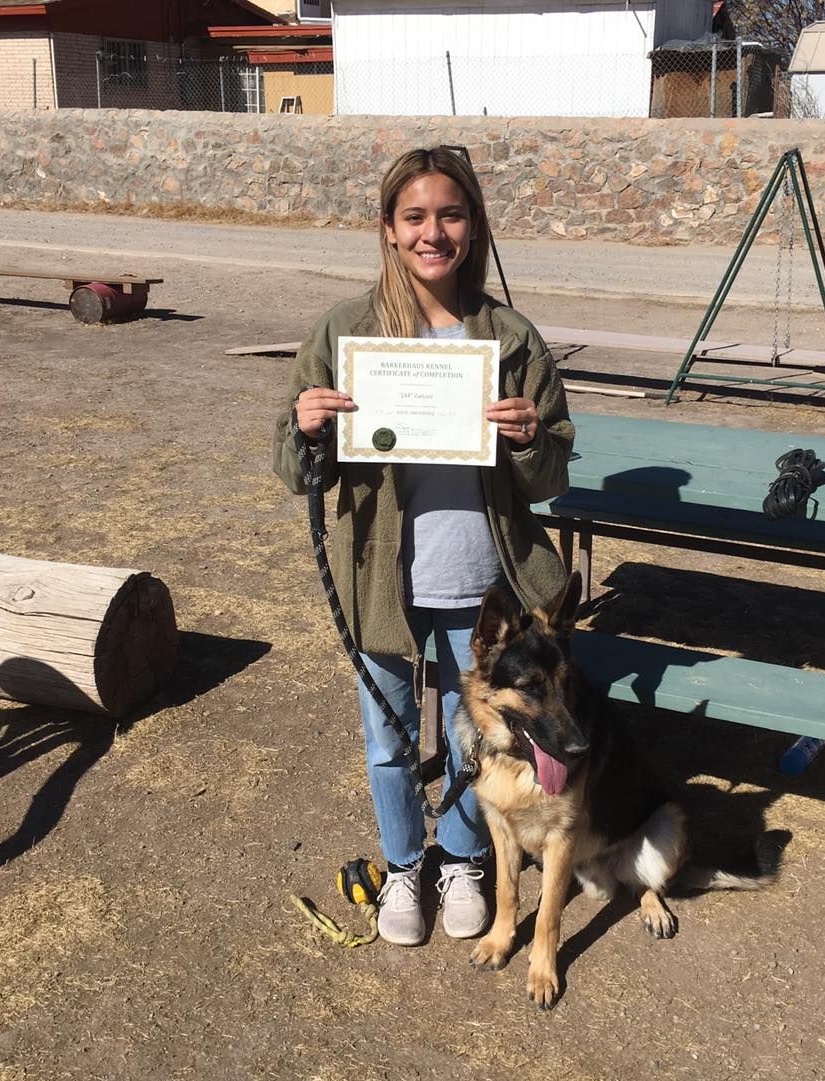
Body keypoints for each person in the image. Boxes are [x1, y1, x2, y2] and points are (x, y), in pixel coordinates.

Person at [273, 147, 575, 946]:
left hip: (487, 584)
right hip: (383, 578)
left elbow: (550, 474)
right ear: (388, 227)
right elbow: (290, 464)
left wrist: (529, 435)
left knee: (480, 738)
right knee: (389, 738)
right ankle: (406, 862)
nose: (432, 232)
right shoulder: (345, 331)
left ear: (472, 226)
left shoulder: (509, 336)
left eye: (450, 214)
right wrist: (306, 426)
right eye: (415, 216)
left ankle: (467, 856)